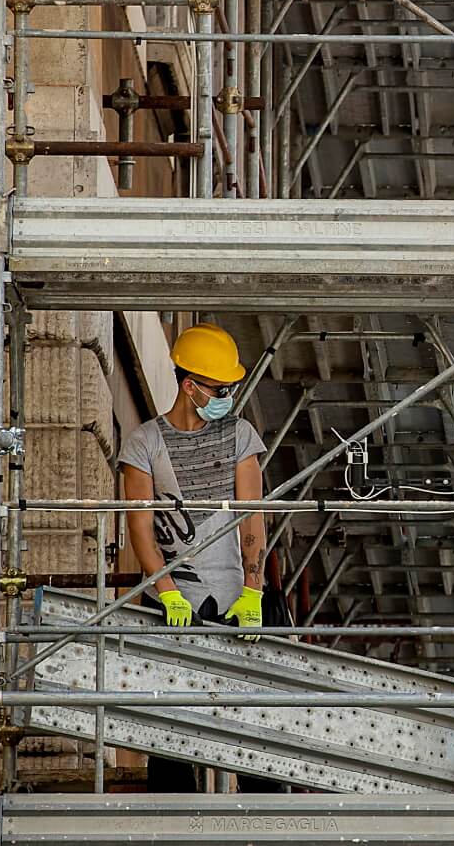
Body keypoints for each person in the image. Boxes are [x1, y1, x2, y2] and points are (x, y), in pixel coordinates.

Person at [118, 322, 273, 791]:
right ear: (191, 387)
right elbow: (139, 528)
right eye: (219, 387)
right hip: (175, 603)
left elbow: (252, 518)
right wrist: (167, 593)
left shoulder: (240, 435)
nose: (227, 394)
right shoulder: (144, 444)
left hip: (234, 600)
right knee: (169, 731)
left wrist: (253, 592)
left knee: (256, 735)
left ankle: (264, 829)